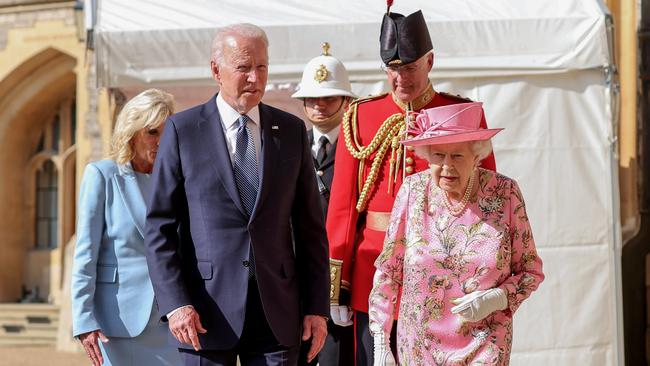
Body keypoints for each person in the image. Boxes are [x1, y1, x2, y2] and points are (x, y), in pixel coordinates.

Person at [143, 23, 329, 366]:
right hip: (204, 314)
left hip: (278, 315)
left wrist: (318, 307)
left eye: (262, 67)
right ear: (216, 70)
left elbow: (310, 230)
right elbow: (160, 228)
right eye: (244, 67)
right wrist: (175, 304)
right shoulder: (182, 131)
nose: (255, 79)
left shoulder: (290, 131)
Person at [326, 8, 497, 365]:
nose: (400, 78)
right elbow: (342, 208)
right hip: (374, 269)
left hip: (445, 270)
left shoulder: (461, 113)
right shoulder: (359, 115)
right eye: (392, 69)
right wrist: (335, 284)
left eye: (409, 68)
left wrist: (484, 275)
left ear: (430, 61)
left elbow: (487, 201)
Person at [368, 102, 545, 366]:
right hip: (419, 346)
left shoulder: (505, 193)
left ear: (477, 156)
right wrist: (381, 342)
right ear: (427, 156)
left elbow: (530, 271)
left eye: (458, 156)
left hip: (484, 344)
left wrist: (498, 297)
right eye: (438, 156)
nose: (447, 166)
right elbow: (388, 271)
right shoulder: (413, 192)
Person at [71, 88, 180, 366]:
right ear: (132, 132)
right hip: (119, 323)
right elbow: (86, 254)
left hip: (173, 322)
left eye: (168, 133)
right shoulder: (102, 176)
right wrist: (83, 320)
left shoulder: (179, 181)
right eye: (152, 132)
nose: (161, 141)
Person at [291, 42, 356, 366]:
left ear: (346, 100)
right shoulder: (289, 146)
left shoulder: (358, 148)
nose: (319, 105)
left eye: (328, 97)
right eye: (312, 99)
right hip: (299, 277)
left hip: (344, 281)